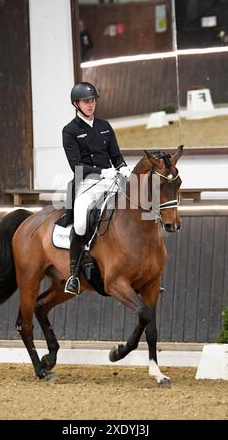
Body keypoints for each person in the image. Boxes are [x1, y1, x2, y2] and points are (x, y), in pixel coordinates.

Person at [62, 82, 131, 295]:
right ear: (76, 104)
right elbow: (76, 166)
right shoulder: (70, 131)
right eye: (86, 101)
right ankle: (74, 275)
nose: (91, 105)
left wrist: (123, 168)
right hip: (87, 182)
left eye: (92, 101)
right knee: (81, 220)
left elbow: (116, 156)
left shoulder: (104, 126)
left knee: (136, 208)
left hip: (112, 179)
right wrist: (102, 172)